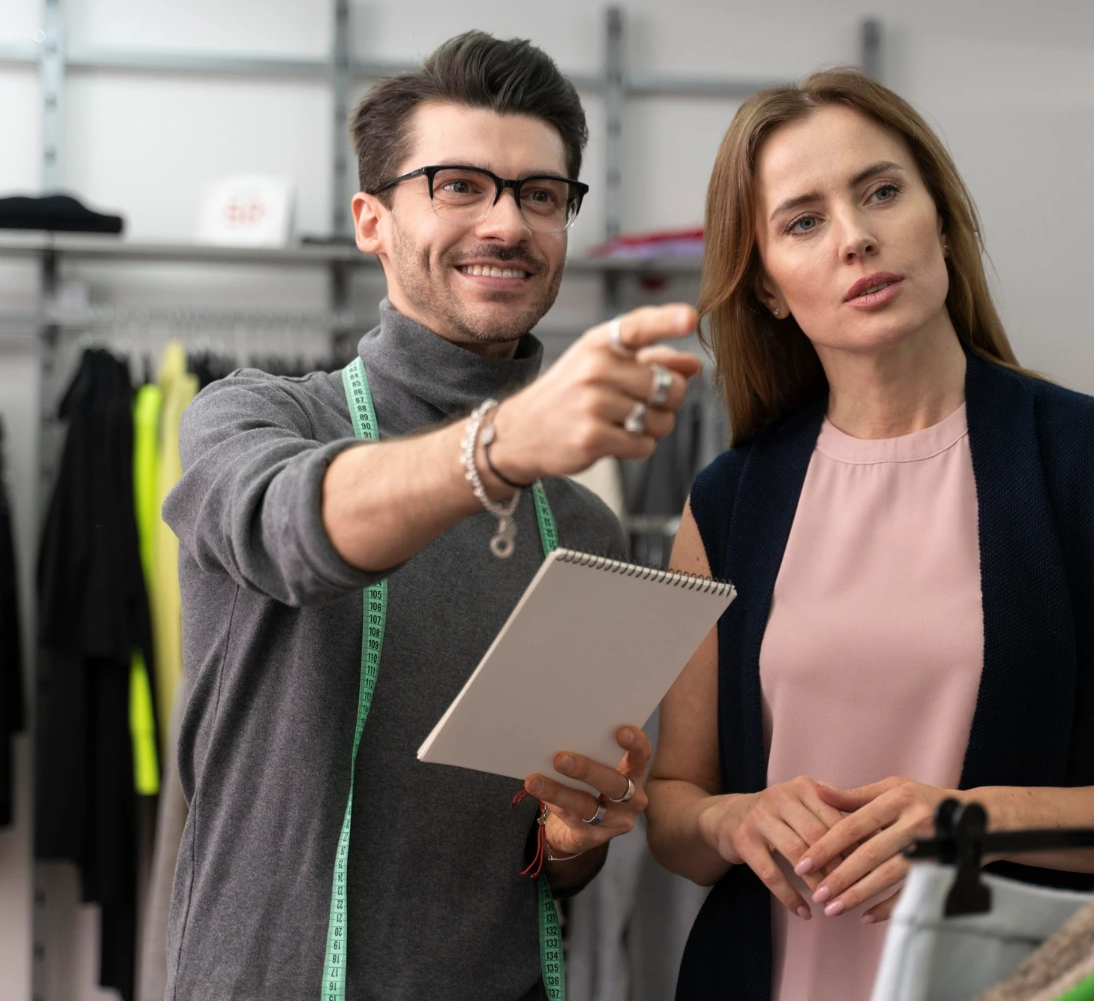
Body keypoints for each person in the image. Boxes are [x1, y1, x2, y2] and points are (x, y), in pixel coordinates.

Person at [644, 69, 1094, 1001]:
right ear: (764, 284)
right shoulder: (728, 502)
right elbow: (674, 806)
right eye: (804, 221)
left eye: (882, 190)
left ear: (942, 218)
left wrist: (977, 819)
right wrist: (734, 822)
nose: (857, 236)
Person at [160, 32, 701, 1001]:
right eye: (458, 184)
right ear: (372, 220)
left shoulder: (581, 523)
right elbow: (296, 532)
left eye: (540, 194)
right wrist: (496, 446)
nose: (507, 222)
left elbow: (547, 858)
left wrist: (575, 838)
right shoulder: (250, 418)